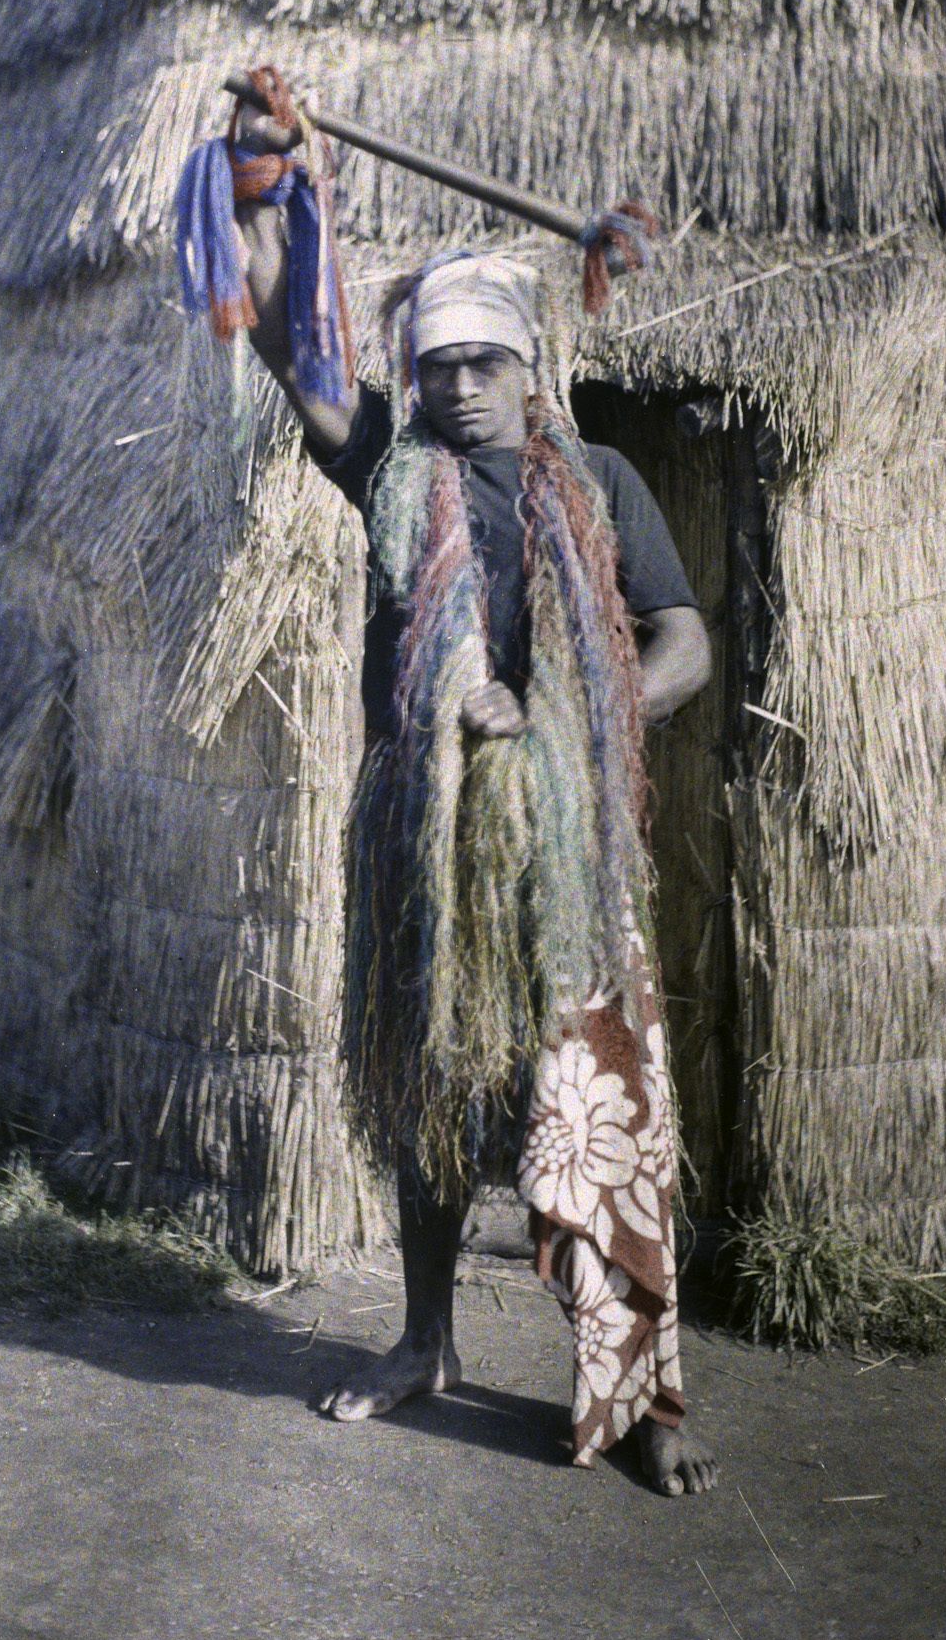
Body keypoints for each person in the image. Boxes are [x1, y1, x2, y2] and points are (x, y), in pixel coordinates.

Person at [232, 98, 719, 1496]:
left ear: (530, 370)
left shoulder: (603, 481)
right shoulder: (393, 470)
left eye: (483, 363)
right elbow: (288, 348)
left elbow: (681, 639)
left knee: (601, 1104)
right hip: (426, 834)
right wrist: (257, 179)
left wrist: (574, 712)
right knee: (432, 1094)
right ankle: (425, 1341)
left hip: (565, 835)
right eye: (436, 363)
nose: (455, 387)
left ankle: (633, 1392)